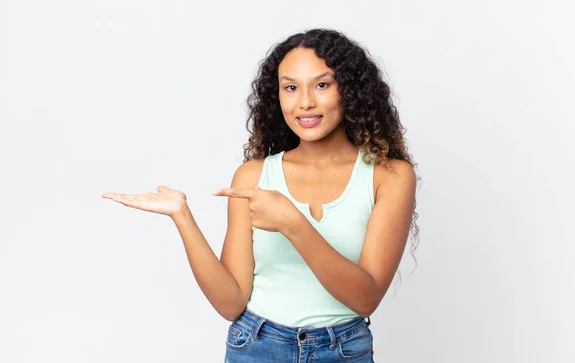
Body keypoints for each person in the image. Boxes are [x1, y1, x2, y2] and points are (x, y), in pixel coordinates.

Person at [102, 28, 418, 362]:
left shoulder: (389, 176)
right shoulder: (253, 176)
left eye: (322, 85)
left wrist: (293, 223)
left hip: (343, 350)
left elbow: (365, 298)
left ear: (350, 91)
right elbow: (231, 302)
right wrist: (182, 216)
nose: (305, 101)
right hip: (256, 346)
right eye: (291, 87)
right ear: (277, 95)